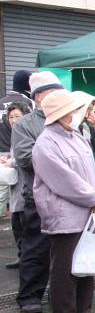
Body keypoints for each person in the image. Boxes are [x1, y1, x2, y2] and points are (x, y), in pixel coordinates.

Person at [31, 90, 95, 313]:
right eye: (71, 110)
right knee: (65, 267)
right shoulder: (46, 143)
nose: (76, 114)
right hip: (64, 213)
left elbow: (92, 170)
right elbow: (65, 181)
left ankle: (83, 310)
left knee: (85, 263)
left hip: (85, 210)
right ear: (60, 114)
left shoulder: (76, 136)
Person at [12, 71, 66, 313]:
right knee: (36, 246)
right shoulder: (25, 123)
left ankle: (60, 296)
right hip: (38, 195)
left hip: (67, 195)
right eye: (52, 92)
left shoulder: (67, 120)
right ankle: (29, 296)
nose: (57, 97)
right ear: (39, 96)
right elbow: (24, 158)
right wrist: (54, 155)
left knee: (64, 249)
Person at [0, 70, 34, 216]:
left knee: (2, 189)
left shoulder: (1, 102)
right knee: (20, 188)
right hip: (21, 152)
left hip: (3, 153)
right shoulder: (27, 103)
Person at [1, 102, 30, 269]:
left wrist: (11, 161)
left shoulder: (25, 133)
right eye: (11, 117)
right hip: (16, 185)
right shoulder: (15, 134)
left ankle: (27, 258)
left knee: (23, 223)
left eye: (17, 116)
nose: (13, 120)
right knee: (17, 223)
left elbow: (25, 156)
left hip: (25, 185)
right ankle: (22, 257)